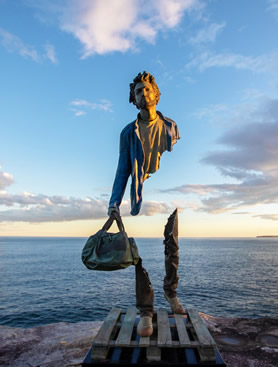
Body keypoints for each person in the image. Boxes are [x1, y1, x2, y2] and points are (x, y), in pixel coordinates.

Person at [108, 71, 183, 337]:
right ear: (133, 98)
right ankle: (146, 312)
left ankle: (171, 294)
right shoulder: (128, 133)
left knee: (172, 247)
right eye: (139, 91)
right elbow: (122, 170)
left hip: (169, 192)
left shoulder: (171, 127)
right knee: (136, 256)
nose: (144, 94)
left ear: (157, 94)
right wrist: (114, 203)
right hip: (138, 198)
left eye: (148, 89)